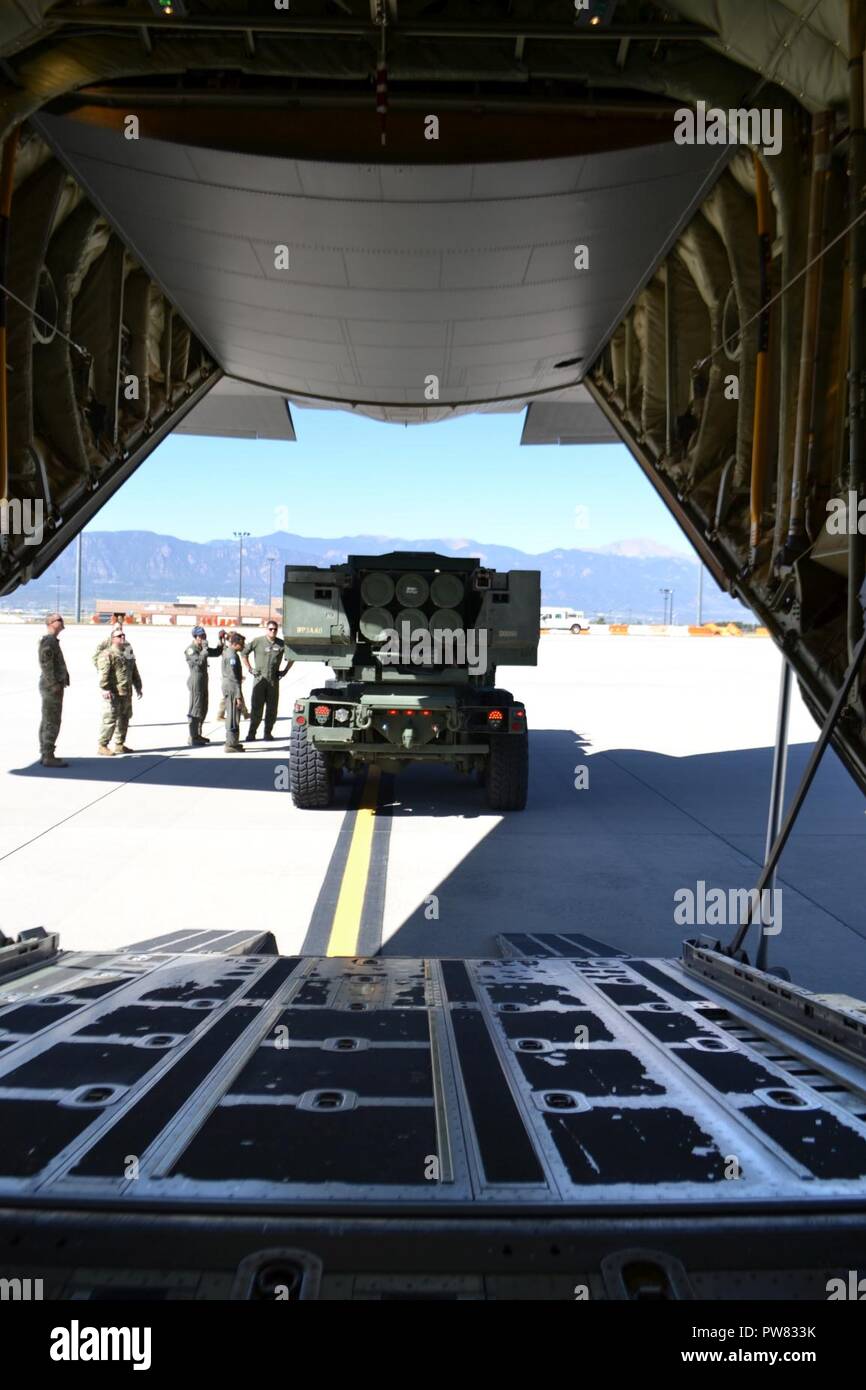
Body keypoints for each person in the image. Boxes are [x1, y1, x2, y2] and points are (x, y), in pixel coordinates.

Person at [244, 620, 293, 740]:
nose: (273, 631)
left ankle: (267, 733)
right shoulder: (258, 641)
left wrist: (285, 670)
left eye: (275, 629)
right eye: (270, 629)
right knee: (256, 708)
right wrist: (250, 669)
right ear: (267, 629)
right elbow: (244, 653)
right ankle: (252, 733)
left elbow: (292, 656)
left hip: (273, 681)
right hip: (259, 680)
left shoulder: (281, 644)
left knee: (272, 709)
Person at [97, 627, 141, 755]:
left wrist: (138, 685)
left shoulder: (127, 651)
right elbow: (103, 674)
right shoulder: (108, 654)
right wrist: (104, 688)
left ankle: (119, 744)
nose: (122, 637)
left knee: (125, 718)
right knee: (110, 719)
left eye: (123, 635)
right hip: (113, 692)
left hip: (126, 692)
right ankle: (102, 745)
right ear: (113, 639)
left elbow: (134, 669)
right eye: (119, 636)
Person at [38, 612, 70, 768]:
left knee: (47, 719)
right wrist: (53, 684)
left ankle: (45, 753)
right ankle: (48, 756)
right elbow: (46, 664)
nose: (62, 622)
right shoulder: (49, 641)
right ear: (51, 623)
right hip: (52, 687)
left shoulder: (52, 641)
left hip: (53, 685)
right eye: (59, 620)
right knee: (52, 720)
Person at [184, 625, 221, 746]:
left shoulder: (202, 648)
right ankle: (193, 736)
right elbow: (199, 662)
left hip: (204, 680)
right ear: (195, 637)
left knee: (203, 707)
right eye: (200, 636)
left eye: (204, 635)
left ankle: (198, 734)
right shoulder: (191, 649)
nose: (203, 638)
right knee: (195, 708)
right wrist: (205, 650)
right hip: (196, 680)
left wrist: (221, 640)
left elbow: (216, 652)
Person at [216, 629, 250, 721]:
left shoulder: (229, 650)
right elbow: (221, 649)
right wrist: (221, 639)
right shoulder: (229, 652)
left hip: (231, 677)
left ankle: (245, 713)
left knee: (238, 695)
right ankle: (220, 715)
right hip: (229, 679)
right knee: (232, 697)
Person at [221, 632, 246, 753]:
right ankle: (231, 744)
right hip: (232, 687)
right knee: (233, 715)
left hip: (228, 685)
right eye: (241, 644)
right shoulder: (232, 657)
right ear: (235, 644)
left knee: (232, 713)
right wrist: (238, 696)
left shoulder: (228, 652)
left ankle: (233, 742)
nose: (243, 646)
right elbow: (234, 677)